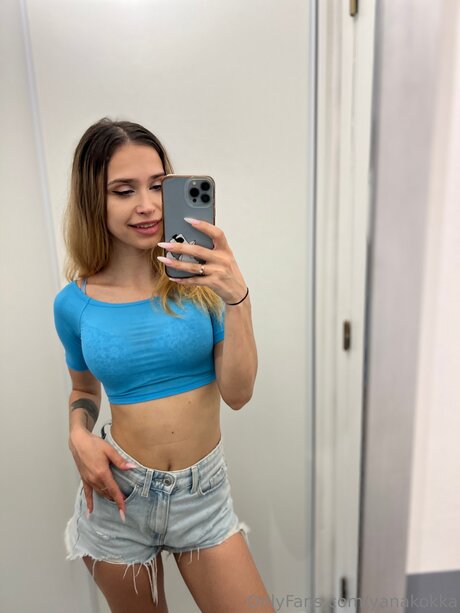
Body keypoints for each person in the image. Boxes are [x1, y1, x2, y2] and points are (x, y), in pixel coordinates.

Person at [53, 118, 275, 613]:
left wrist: (237, 298)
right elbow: (83, 390)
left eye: (157, 185)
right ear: (93, 201)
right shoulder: (73, 304)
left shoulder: (203, 283)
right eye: (123, 190)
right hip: (118, 497)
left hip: (203, 496)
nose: (148, 205)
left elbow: (238, 394)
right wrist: (77, 435)